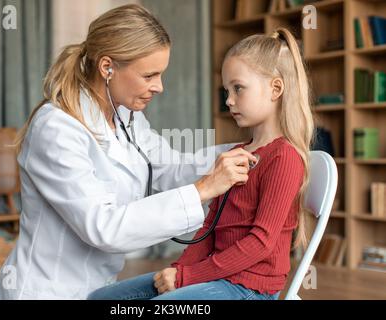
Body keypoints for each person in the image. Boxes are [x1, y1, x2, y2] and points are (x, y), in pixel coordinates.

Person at [0, 4, 257, 300]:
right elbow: (102, 227)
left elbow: (172, 169)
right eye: (149, 75)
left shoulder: (128, 118)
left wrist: (248, 149)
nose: (159, 87)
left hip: (99, 288)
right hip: (48, 292)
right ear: (107, 67)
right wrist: (203, 190)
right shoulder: (56, 128)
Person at [88, 27, 315, 300]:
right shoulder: (236, 155)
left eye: (238, 88)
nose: (229, 100)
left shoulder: (284, 158)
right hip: (218, 276)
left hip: (250, 289)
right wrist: (179, 270)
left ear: (275, 88)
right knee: (101, 299)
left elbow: (261, 244)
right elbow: (209, 227)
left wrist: (187, 277)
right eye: (227, 90)